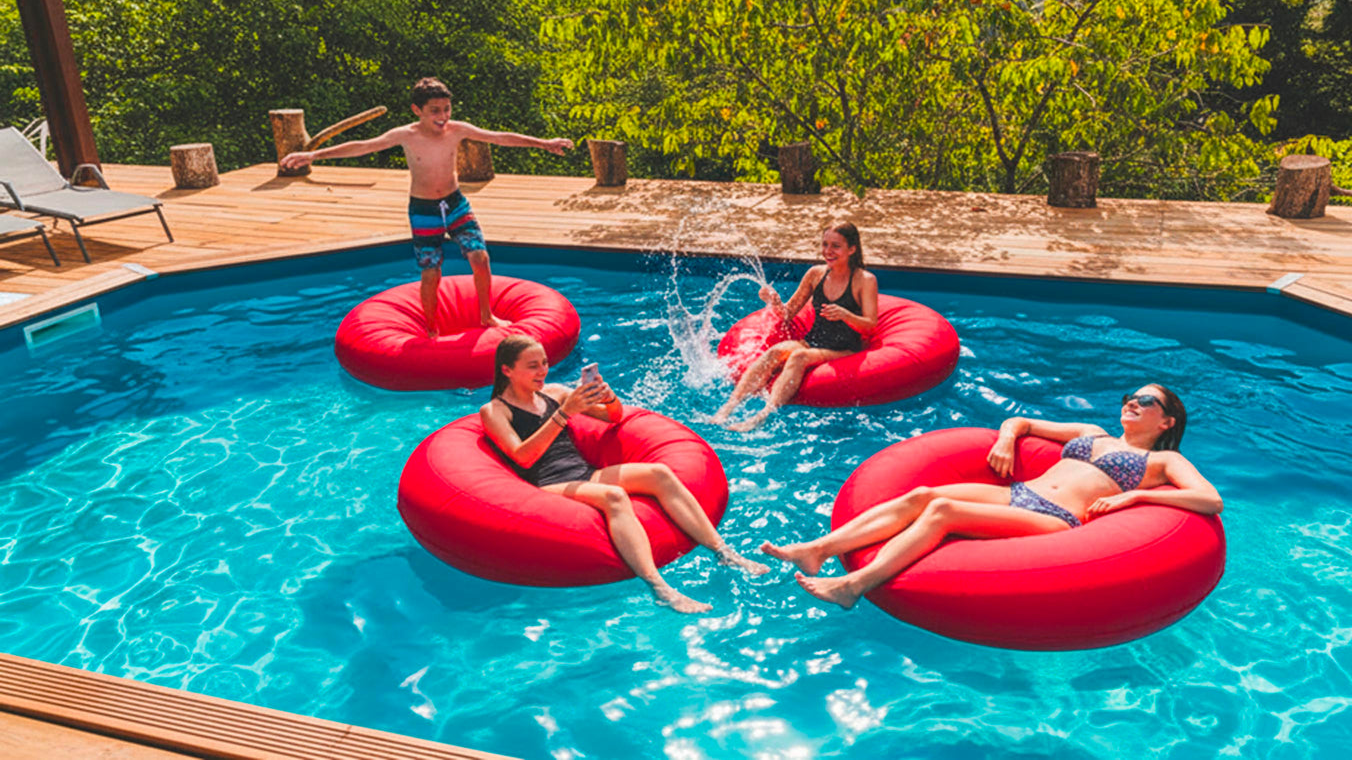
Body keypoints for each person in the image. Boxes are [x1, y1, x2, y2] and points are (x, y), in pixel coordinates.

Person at [762, 384, 1222, 609]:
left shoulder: (1162, 461)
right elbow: (1022, 421)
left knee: (943, 510)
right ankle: (818, 549)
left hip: (1057, 517)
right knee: (922, 494)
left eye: (1147, 401)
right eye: (1130, 396)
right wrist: (1006, 439)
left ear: (1167, 422)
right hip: (1020, 493)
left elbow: (1210, 500)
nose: (1133, 402)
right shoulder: (1090, 432)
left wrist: (1133, 500)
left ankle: (854, 586)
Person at [481, 334, 768, 613]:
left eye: (544, 362)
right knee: (614, 496)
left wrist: (608, 397)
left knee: (659, 473)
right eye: (533, 366)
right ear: (507, 370)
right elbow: (523, 457)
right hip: (545, 484)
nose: (543, 371)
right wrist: (564, 413)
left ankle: (724, 552)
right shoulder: (495, 411)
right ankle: (660, 587)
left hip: (584, 473)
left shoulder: (554, 393)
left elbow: (613, 416)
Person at [278, 77, 573, 337]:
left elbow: (499, 137)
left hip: (455, 204)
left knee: (480, 258)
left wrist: (543, 143)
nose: (443, 116)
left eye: (446, 109)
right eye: (435, 111)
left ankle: (487, 315)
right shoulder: (405, 135)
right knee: (432, 273)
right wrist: (313, 155)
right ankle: (431, 328)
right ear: (417, 110)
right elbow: (363, 146)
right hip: (423, 211)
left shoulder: (457, 130)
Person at [710, 222, 878, 431]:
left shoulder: (864, 280)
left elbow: (870, 325)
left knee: (799, 357)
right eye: (825, 244)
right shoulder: (815, 274)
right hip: (813, 341)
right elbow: (788, 313)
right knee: (775, 352)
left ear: (852, 249)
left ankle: (761, 416)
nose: (828, 251)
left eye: (836, 246)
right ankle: (727, 409)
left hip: (845, 349)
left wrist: (846, 315)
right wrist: (773, 302)